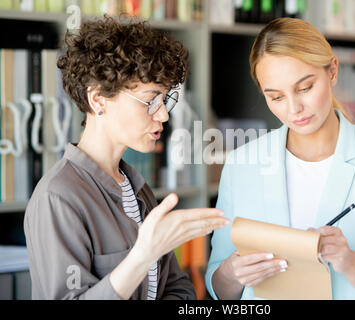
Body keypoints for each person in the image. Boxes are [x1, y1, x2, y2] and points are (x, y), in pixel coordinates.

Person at [205, 17, 355, 300]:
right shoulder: (241, 164)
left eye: (305, 88)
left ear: (332, 71)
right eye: (276, 97)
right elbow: (219, 289)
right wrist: (232, 272)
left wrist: (351, 263)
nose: (294, 108)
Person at [24, 16, 229, 300]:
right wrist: (143, 255)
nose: (164, 114)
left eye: (165, 99)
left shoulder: (137, 189)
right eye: (151, 100)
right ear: (98, 100)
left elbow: (178, 288)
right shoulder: (58, 197)